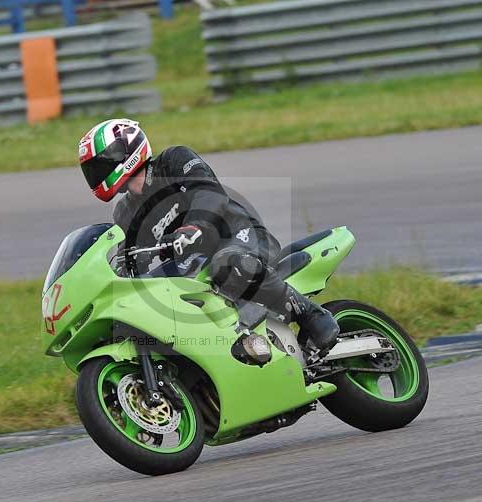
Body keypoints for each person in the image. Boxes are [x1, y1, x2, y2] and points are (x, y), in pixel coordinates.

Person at [78, 118, 339, 352]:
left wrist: (194, 227)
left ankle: (310, 314)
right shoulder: (125, 212)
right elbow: (132, 257)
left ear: (124, 154)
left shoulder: (173, 161)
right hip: (194, 266)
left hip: (241, 236)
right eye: (91, 170)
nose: (95, 175)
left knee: (227, 264)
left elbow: (209, 193)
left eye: (98, 166)